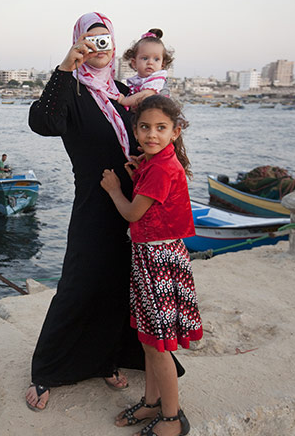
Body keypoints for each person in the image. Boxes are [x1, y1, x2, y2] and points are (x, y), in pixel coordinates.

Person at [26, 11, 172, 412]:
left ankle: (106, 359)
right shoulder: (71, 91)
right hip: (95, 198)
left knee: (120, 284)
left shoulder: (125, 91)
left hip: (134, 200)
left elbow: (153, 134)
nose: (98, 47)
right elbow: (43, 122)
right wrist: (64, 66)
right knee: (80, 281)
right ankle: (48, 369)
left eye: (104, 38)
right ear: (78, 43)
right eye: (90, 40)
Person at [100, 95, 202, 436]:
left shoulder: (161, 168)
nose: (151, 135)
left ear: (175, 132)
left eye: (161, 128)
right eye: (145, 127)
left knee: (159, 344)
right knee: (149, 339)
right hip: (149, 258)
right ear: (135, 129)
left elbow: (132, 213)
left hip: (159, 261)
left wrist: (116, 189)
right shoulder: (154, 163)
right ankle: (151, 401)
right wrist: (138, 170)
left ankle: (173, 418)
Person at [117, 29, 173, 109]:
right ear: (134, 63)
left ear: (162, 65)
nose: (150, 62)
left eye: (156, 59)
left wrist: (124, 101)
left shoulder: (157, 79)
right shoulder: (140, 80)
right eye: (145, 58)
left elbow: (146, 94)